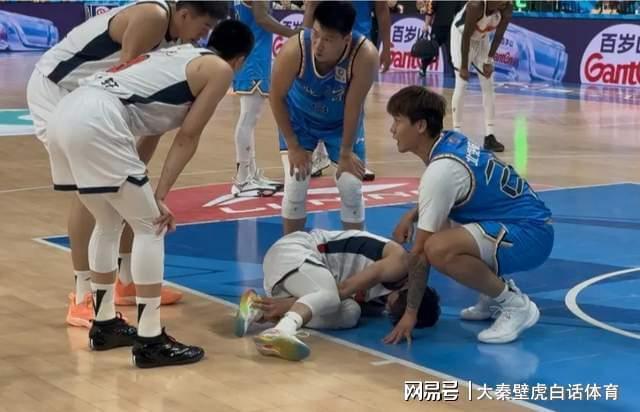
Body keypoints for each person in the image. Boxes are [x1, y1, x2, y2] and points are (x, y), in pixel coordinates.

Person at [44, 20, 254, 368]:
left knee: (108, 222)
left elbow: (152, 129)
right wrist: (159, 196)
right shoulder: (219, 70)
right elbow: (188, 136)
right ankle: (150, 340)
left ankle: (105, 324)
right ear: (241, 60)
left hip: (67, 112)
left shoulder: (180, 55)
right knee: (151, 226)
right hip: (96, 119)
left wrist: (143, 190)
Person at [27, 0, 230, 328]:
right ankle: (83, 295)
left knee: (127, 190)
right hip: (58, 88)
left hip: (93, 100)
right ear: (184, 14)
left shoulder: (178, 42)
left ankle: (126, 280)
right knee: (91, 191)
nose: (204, 36)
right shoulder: (154, 16)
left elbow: (150, 117)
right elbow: (124, 79)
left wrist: (139, 173)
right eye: (204, 26)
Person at [384, 85, 553, 345]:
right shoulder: (451, 141)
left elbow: (418, 254)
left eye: (397, 121)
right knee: (445, 225)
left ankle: (515, 305)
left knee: (437, 248)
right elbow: (448, 192)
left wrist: (410, 313)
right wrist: (413, 214)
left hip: (530, 235)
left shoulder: (441, 170)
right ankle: (492, 295)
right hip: (527, 225)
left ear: (420, 126)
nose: (392, 129)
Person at [234, 229, 440, 361]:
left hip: (294, 280)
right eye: (396, 309)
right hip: (295, 252)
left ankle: (257, 310)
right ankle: (281, 330)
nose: (389, 309)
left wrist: (289, 303)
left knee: (351, 313)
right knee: (331, 296)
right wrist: (288, 304)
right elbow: (343, 288)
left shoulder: (380, 302)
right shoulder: (399, 263)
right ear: (407, 295)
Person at [270, 1, 379, 235]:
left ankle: (354, 249)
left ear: (346, 39)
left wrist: (346, 152)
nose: (318, 45)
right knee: (296, 184)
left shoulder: (365, 55)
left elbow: (353, 107)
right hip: (299, 119)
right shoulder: (295, 49)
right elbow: (276, 97)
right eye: (316, 34)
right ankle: (292, 250)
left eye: (328, 39)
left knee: (351, 187)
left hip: (340, 125)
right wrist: (293, 145)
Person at [303, 0, 390, 180]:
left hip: (358, 47)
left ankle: (355, 156)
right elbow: (312, 5)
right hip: (328, 43)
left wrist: (387, 48)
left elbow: (382, 10)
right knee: (317, 96)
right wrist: (305, 42)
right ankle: (318, 155)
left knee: (355, 102)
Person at [231, 1, 299, 197]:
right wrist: (293, 33)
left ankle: (250, 174)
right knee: (248, 118)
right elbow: (262, 19)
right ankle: (243, 179)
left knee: (249, 118)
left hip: (250, 54)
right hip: (253, 58)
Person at [450, 0, 513, 152]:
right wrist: (464, 66)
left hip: (481, 38)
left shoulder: (507, 7)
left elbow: (499, 35)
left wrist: (489, 60)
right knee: (461, 83)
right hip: (461, 37)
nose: (504, 2)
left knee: (488, 84)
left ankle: (489, 135)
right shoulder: (476, 5)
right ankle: (457, 134)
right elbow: (466, 36)